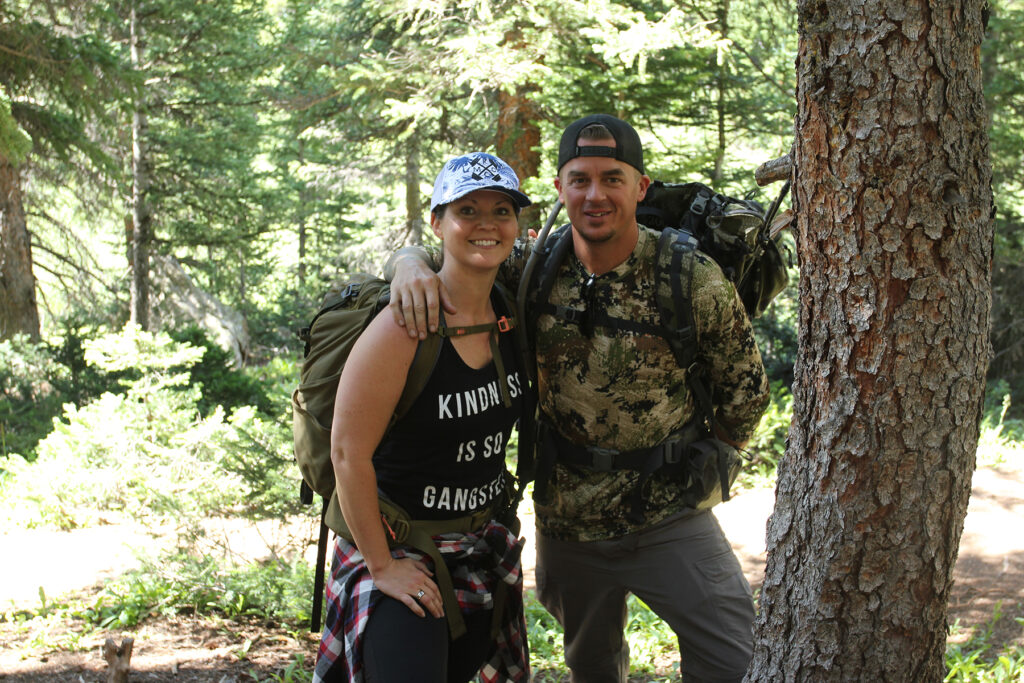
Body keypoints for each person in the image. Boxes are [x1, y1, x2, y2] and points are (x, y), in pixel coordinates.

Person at [385, 115, 770, 683]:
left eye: (612, 178)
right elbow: (456, 248)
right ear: (560, 188)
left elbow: (747, 394)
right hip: (568, 524)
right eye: (580, 179)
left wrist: (694, 461)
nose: (595, 195)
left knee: (735, 662)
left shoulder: (689, 277)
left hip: (670, 518)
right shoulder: (531, 267)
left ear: (640, 188)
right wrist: (408, 264)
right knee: (591, 669)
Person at [314, 152, 532, 683]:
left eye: (501, 210)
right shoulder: (404, 325)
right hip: (400, 550)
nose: (486, 224)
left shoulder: (513, 308)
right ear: (438, 222)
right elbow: (347, 451)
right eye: (467, 210)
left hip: (481, 553)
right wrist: (384, 566)